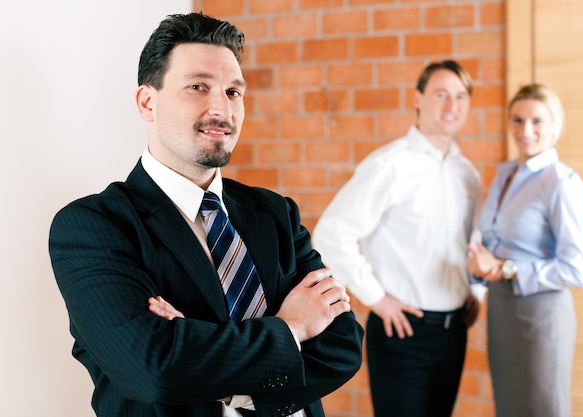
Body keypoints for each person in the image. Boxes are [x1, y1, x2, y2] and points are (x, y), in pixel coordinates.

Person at [48, 12, 363, 417]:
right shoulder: (94, 227)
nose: (222, 108)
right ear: (147, 101)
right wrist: (293, 328)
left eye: (234, 92)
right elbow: (155, 369)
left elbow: (342, 347)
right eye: (198, 87)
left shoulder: (275, 213)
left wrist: (202, 352)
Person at [313, 60, 482, 417]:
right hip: (403, 330)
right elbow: (332, 234)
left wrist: (476, 292)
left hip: (454, 332)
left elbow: (474, 241)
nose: (452, 106)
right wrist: (378, 299)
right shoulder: (390, 164)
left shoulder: (467, 173)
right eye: (441, 95)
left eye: (460, 97)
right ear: (418, 99)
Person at [466, 84, 583, 417]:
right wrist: (478, 276)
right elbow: (492, 243)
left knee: (543, 409)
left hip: (541, 317)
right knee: (509, 407)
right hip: (502, 312)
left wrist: (507, 268)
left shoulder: (560, 183)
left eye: (538, 121)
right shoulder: (504, 173)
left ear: (556, 124)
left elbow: (578, 270)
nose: (526, 130)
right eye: (517, 119)